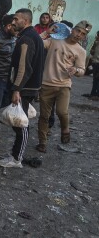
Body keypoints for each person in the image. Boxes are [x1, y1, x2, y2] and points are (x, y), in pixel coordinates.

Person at [35, 21, 91, 153]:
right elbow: (37, 42)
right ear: (72, 30)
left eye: (83, 34)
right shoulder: (55, 40)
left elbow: (82, 70)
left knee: (62, 112)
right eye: (78, 31)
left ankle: (65, 128)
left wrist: (75, 70)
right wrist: (46, 32)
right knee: (44, 116)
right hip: (47, 84)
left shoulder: (81, 51)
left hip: (64, 85)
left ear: (84, 37)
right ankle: (42, 142)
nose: (79, 35)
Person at [0, 8, 44, 168]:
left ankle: (17, 158)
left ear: (25, 21)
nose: (13, 21)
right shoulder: (32, 36)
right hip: (28, 87)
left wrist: (16, 89)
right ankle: (15, 154)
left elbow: (24, 68)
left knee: (21, 124)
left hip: (24, 88)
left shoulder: (27, 39)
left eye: (16, 19)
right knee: (19, 122)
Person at [0, 14, 16, 118]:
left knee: (6, 102)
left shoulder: (14, 37)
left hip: (9, 77)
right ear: (9, 26)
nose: (18, 29)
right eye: (16, 26)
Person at [88, 31, 99, 101]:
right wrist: (94, 46)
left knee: (97, 79)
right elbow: (91, 52)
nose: (96, 36)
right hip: (95, 63)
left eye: (97, 35)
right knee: (95, 79)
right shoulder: (96, 43)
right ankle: (93, 93)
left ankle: (96, 95)